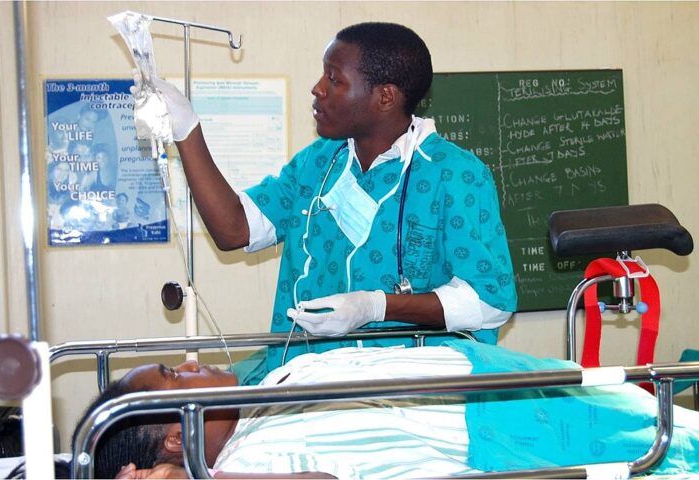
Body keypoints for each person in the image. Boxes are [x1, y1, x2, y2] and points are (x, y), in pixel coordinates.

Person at [133, 22, 518, 380]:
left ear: (385, 96)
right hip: (306, 385)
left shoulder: (454, 174)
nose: (317, 89)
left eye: (334, 79)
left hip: (408, 396)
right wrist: (187, 129)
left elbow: (490, 302)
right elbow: (234, 229)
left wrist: (376, 306)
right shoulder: (318, 163)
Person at [55, 342, 699, 479]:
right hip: (484, 429)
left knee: (647, 408)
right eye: (177, 376)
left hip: (480, 372)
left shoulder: (261, 401)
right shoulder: (248, 462)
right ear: (176, 439)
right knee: (658, 448)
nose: (193, 364)